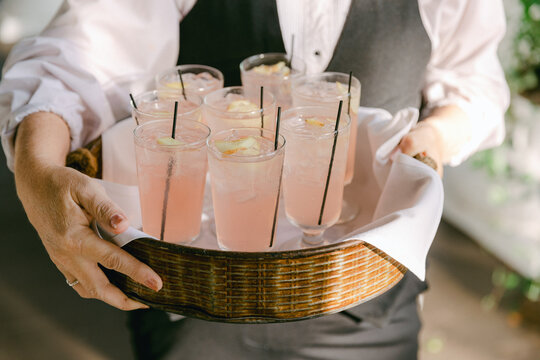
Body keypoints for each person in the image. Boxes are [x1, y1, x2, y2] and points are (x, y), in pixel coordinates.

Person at [0, 0, 509, 359]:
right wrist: (37, 172)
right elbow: (77, 58)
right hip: (194, 304)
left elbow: (474, 82)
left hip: (369, 308)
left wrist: (436, 137)